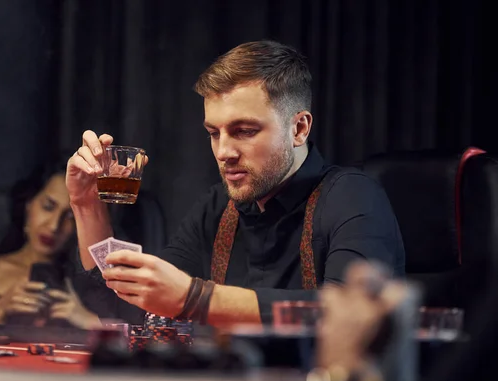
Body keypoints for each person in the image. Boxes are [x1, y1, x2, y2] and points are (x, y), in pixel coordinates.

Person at [66, 40, 405, 326]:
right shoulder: (217, 209)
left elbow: (351, 313)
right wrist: (86, 204)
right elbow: (136, 310)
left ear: (299, 129)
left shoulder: (353, 196)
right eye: (214, 133)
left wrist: (196, 298)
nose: (224, 151)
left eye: (244, 131)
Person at [0, 159, 143, 328]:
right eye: (48, 207)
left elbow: (130, 339)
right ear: (28, 204)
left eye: (70, 216)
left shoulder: (91, 282)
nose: (53, 226)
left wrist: (85, 319)